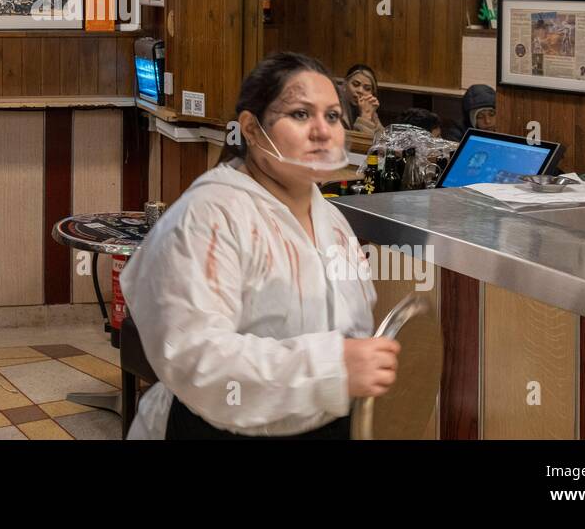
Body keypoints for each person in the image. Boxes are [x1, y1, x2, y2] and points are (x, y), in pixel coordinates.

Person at [121, 52, 399, 439]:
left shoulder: (331, 220)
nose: (322, 131)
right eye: (301, 114)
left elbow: (351, 329)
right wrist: (330, 368)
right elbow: (197, 359)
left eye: (333, 116)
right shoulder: (209, 216)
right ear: (251, 129)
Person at [343, 64, 384, 135]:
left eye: (367, 88)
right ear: (345, 84)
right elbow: (356, 144)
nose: (360, 91)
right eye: (355, 84)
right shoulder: (335, 108)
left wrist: (371, 115)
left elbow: (382, 142)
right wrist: (365, 117)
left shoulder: (368, 108)